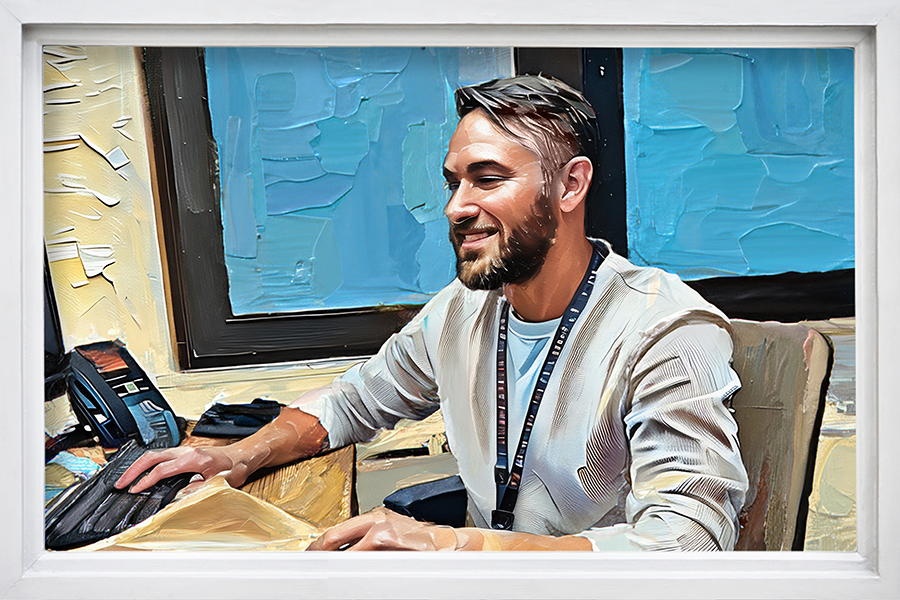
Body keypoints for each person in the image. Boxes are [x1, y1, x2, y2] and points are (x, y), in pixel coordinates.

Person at [117, 75, 748, 552]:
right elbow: (353, 402)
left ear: (570, 185)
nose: (456, 207)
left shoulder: (665, 330)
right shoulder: (464, 308)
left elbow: (685, 545)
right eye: (454, 182)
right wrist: (239, 456)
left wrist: (453, 546)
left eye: (487, 179)